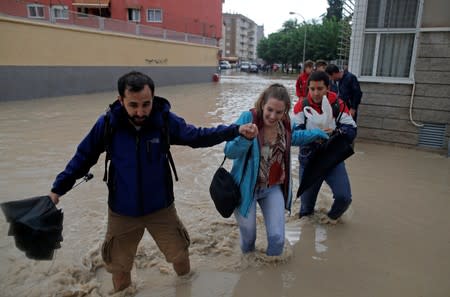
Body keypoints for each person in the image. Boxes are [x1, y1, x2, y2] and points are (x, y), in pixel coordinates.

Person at [48, 71, 258, 292]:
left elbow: (198, 136)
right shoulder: (108, 124)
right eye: (133, 105)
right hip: (122, 211)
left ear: (154, 98)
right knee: (118, 270)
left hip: (161, 208)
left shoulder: (164, 120)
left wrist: (236, 130)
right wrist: (57, 189)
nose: (140, 112)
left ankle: (184, 290)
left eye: (146, 104)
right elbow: (83, 157)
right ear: (121, 100)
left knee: (180, 257)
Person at [224, 83, 329, 256]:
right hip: (245, 189)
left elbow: (293, 138)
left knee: (277, 239)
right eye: (269, 110)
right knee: (249, 239)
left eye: (279, 112)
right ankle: (248, 271)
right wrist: (245, 139)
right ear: (262, 104)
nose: (273, 116)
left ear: (285, 111)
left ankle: (271, 276)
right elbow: (230, 152)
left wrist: (316, 134)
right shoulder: (247, 118)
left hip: (272, 188)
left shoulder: (286, 123)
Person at [292, 71, 357, 224]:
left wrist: (337, 132)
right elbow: (294, 135)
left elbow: (352, 130)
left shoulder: (338, 105)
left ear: (328, 88)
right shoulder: (301, 106)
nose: (315, 93)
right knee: (306, 209)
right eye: (312, 89)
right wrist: (315, 134)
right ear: (308, 88)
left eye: (320, 89)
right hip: (309, 161)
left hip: (332, 158)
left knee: (344, 198)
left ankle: (330, 220)